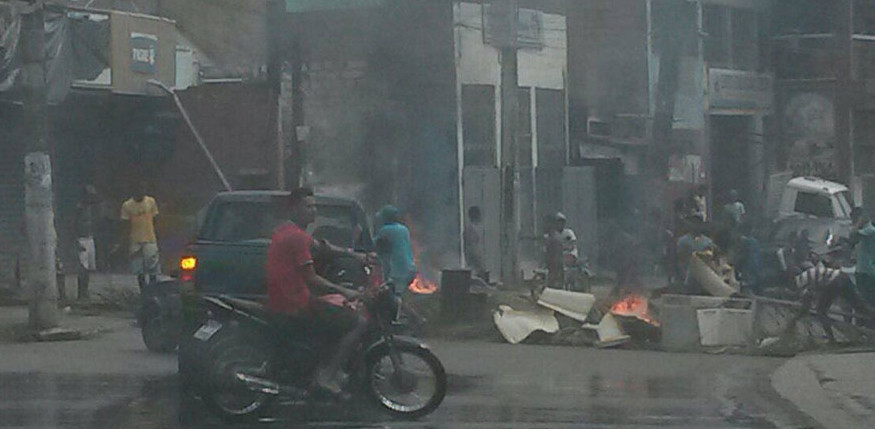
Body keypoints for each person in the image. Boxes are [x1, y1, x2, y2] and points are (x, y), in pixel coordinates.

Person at [266, 187, 370, 395]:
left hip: (287, 297)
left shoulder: (286, 231)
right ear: (294, 208)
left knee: (333, 309)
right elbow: (311, 278)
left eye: (314, 207)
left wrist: (353, 255)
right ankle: (326, 375)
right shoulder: (297, 237)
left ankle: (330, 366)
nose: (313, 211)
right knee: (357, 321)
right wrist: (345, 291)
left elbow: (322, 247)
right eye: (308, 206)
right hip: (293, 303)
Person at [783, 260, 875, 343]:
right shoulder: (806, 276)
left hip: (834, 282)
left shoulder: (801, 282)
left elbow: (805, 308)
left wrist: (793, 321)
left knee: (820, 311)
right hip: (842, 277)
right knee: (859, 306)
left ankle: (832, 340)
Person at [120, 182, 160, 290]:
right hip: (135, 241)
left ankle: (153, 290)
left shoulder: (151, 202)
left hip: (150, 239)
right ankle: (143, 291)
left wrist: (157, 235)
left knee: (153, 268)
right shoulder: (127, 205)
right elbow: (125, 225)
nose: (141, 193)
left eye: (143, 190)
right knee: (139, 270)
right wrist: (124, 241)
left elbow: (155, 219)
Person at [374, 205, 417, 294]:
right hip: (410, 269)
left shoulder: (385, 230)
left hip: (397, 272)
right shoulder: (404, 229)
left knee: (394, 298)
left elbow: (374, 244)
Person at [676, 218, 715, 294]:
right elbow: (680, 257)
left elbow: (710, 257)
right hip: (687, 271)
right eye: (693, 223)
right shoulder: (683, 240)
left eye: (698, 224)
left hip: (704, 273)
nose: (696, 226)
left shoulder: (707, 241)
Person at [75, 185, 100, 301]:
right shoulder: (79, 208)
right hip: (82, 239)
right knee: (82, 268)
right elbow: (73, 224)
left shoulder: (92, 209)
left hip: (90, 239)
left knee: (88, 268)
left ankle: (85, 292)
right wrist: (76, 241)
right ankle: (81, 293)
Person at [850, 208, 875, 306]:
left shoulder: (870, 230)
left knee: (864, 300)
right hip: (866, 270)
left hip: (866, 271)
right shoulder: (867, 231)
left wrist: (858, 223)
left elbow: (852, 235)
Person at [735, 223, 762, 295]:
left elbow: (742, 255)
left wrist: (737, 266)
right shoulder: (754, 241)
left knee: (746, 285)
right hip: (754, 265)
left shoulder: (745, 241)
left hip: (747, 267)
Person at [463, 206, 485, 280]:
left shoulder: (476, 227)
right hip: (473, 257)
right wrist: (478, 260)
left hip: (475, 256)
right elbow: (472, 247)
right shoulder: (470, 229)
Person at [543, 213, 565, 289]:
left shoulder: (554, 235)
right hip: (554, 259)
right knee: (554, 277)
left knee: (554, 277)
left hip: (554, 259)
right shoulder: (555, 235)